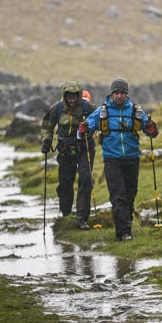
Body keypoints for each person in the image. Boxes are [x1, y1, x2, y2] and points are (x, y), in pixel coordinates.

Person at [79, 77, 158, 241]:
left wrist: (152, 128)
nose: (119, 96)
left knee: (130, 195)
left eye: (122, 93)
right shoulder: (102, 111)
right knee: (118, 196)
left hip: (132, 159)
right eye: (116, 93)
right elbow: (85, 129)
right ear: (112, 94)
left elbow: (150, 130)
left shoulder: (135, 111)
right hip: (111, 159)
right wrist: (84, 129)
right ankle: (124, 232)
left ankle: (125, 224)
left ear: (127, 94)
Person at [40, 81, 96, 230]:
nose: (72, 100)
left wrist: (91, 130)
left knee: (85, 180)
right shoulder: (58, 108)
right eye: (69, 97)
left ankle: (82, 219)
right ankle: (66, 212)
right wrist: (46, 140)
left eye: (74, 97)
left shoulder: (88, 107)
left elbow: (99, 122)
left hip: (85, 148)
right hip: (65, 150)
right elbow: (47, 125)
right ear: (64, 96)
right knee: (65, 183)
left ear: (79, 95)